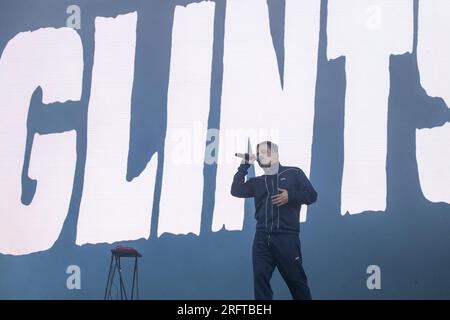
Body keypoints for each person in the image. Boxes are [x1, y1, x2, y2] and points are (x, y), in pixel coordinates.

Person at [231, 141, 317, 300]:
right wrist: (244, 165)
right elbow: (236, 190)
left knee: (297, 282)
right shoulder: (257, 182)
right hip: (262, 239)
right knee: (260, 282)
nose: (261, 156)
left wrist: (290, 196)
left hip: (286, 238)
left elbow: (312, 195)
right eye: (259, 153)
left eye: (265, 152)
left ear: (275, 155)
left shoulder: (294, 173)